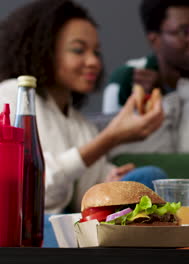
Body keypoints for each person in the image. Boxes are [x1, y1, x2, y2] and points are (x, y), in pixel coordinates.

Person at [0, 0, 168, 216]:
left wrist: (110, 181)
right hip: (24, 225)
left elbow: (85, 200)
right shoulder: (14, 96)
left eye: (96, 52)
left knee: (147, 178)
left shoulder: (81, 125)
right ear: (43, 51)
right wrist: (109, 138)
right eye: (78, 50)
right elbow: (30, 191)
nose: (93, 62)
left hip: (69, 227)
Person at [102, 0, 189, 114]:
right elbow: (111, 135)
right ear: (154, 40)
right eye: (184, 32)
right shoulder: (128, 80)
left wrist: (166, 97)